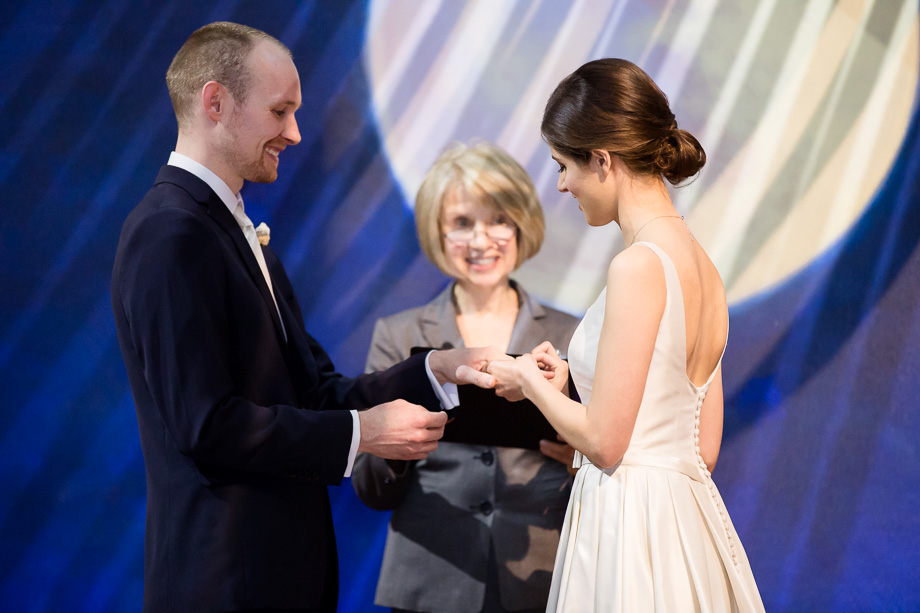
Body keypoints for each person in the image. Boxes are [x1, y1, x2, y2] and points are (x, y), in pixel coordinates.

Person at [110, 22, 498, 612]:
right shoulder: (171, 232)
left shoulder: (235, 232)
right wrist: (363, 434)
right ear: (215, 103)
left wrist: (437, 371)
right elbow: (207, 424)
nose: (294, 132)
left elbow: (313, 391)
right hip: (225, 585)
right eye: (279, 111)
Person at [484, 59, 765, 611]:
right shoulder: (705, 268)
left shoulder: (637, 266)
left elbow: (606, 442)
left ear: (603, 160)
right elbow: (700, 449)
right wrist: (572, 384)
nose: (562, 185)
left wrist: (527, 380)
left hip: (629, 525)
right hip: (687, 528)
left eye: (564, 165)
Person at [351, 141, 579, 613]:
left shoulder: (570, 335)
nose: (480, 241)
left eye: (497, 219)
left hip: (543, 578)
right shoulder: (399, 335)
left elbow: (609, 459)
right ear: (438, 231)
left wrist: (581, 455)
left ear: (521, 224)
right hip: (431, 578)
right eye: (461, 223)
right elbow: (371, 488)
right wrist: (397, 445)